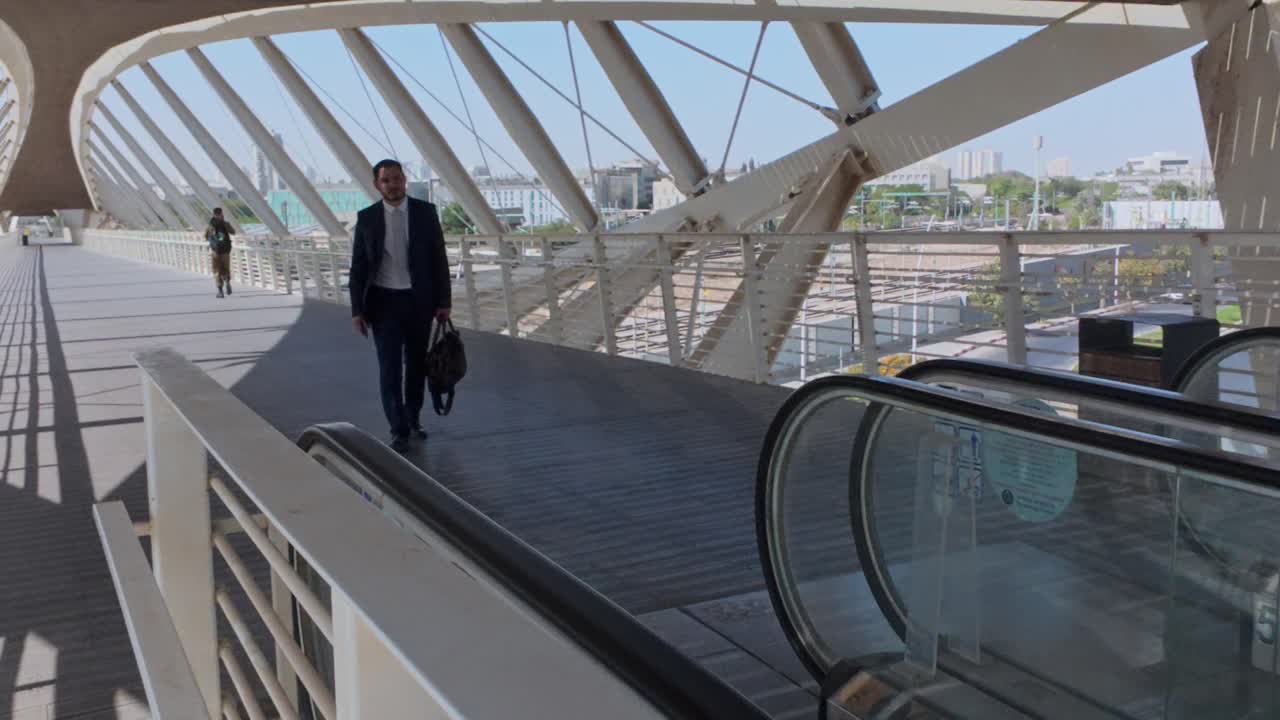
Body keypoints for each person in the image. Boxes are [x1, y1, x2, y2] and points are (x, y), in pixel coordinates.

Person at [349, 159, 452, 453]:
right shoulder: (367, 218)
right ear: (377, 185)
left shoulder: (425, 213)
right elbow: (358, 267)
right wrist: (357, 311)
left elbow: (438, 259)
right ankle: (398, 428)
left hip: (418, 301)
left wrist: (443, 302)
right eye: (386, 181)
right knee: (389, 368)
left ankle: (413, 417)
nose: (393, 185)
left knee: (417, 365)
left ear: (405, 180)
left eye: (397, 179)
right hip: (383, 303)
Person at [206, 208, 235, 298]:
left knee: (217, 271)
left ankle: (220, 292)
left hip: (215, 251)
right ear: (221, 214)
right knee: (225, 268)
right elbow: (233, 232)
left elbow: (205, 236)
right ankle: (227, 280)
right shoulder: (225, 224)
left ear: (213, 214)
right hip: (225, 250)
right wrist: (225, 223)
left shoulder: (210, 225)